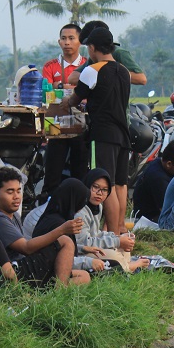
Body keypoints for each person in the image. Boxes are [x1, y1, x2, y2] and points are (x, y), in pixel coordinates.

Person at [49, 27, 131, 234]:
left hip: (103, 133)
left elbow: (75, 99)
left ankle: (112, 235)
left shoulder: (92, 70)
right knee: (120, 184)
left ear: (92, 48)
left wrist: (65, 99)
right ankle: (120, 229)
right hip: (123, 133)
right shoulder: (124, 71)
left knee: (106, 185)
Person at [0, 166, 90, 287]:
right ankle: (60, 291)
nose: (17, 196)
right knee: (65, 241)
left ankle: (53, 289)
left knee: (84, 276)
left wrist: (82, 248)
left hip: (24, 266)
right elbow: (26, 248)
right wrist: (61, 230)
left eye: (18, 190)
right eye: (10, 192)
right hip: (10, 273)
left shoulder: (13, 215)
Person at [41, 23, 89, 197]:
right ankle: (48, 200)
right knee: (53, 163)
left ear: (80, 42)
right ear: (59, 42)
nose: (67, 42)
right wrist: (66, 86)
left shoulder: (87, 64)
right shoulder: (50, 66)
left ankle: (80, 203)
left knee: (81, 165)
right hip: (54, 120)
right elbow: (45, 91)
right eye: (63, 38)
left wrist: (58, 86)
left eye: (71, 38)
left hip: (81, 120)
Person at [74, 168, 149, 273]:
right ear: (87, 185)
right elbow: (83, 242)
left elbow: (95, 234)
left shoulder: (98, 206)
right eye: (95, 187)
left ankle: (126, 265)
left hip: (93, 247)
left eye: (105, 190)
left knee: (123, 247)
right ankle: (127, 267)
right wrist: (116, 241)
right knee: (114, 255)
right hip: (81, 252)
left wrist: (117, 237)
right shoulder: (81, 211)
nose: (99, 193)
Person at [68, 20, 146, 86]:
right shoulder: (94, 58)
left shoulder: (119, 53)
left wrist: (111, 74)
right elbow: (72, 78)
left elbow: (141, 79)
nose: (89, 49)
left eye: (89, 45)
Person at [132, 140, 174, 222]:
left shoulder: (160, 161)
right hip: (149, 220)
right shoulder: (158, 179)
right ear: (169, 164)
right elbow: (166, 212)